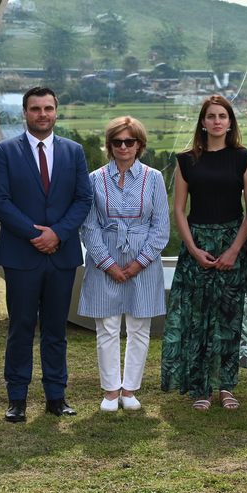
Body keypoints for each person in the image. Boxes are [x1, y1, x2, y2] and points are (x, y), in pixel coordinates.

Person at [161, 95, 247, 411]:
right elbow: (180, 211)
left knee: (229, 316)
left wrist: (235, 250)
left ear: (229, 122)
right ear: (203, 122)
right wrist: (193, 249)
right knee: (197, 318)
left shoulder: (244, 158)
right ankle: (200, 387)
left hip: (233, 242)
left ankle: (226, 386)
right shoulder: (186, 160)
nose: (216, 121)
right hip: (197, 242)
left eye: (222, 116)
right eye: (211, 116)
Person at [0, 86, 93, 421]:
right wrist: (37, 235)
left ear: (56, 112)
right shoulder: (5, 151)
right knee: (20, 327)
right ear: (25, 113)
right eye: (36, 109)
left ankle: (56, 396)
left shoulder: (73, 151)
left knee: (55, 329)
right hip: (22, 255)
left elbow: (83, 199)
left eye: (48, 108)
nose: (42, 114)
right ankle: (16, 398)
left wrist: (58, 234)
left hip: (61, 256)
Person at [78, 117, 169, 413]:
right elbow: (88, 226)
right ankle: (110, 390)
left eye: (129, 141)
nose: (123, 147)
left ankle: (130, 389)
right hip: (105, 257)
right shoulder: (93, 179)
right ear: (109, 145)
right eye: (117, 142)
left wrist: (138, 263)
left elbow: (161, 228)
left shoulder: (154, 178)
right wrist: (108, 264)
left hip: (143, 260)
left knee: (139, 326)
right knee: (106, 326)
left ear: (139, 145)